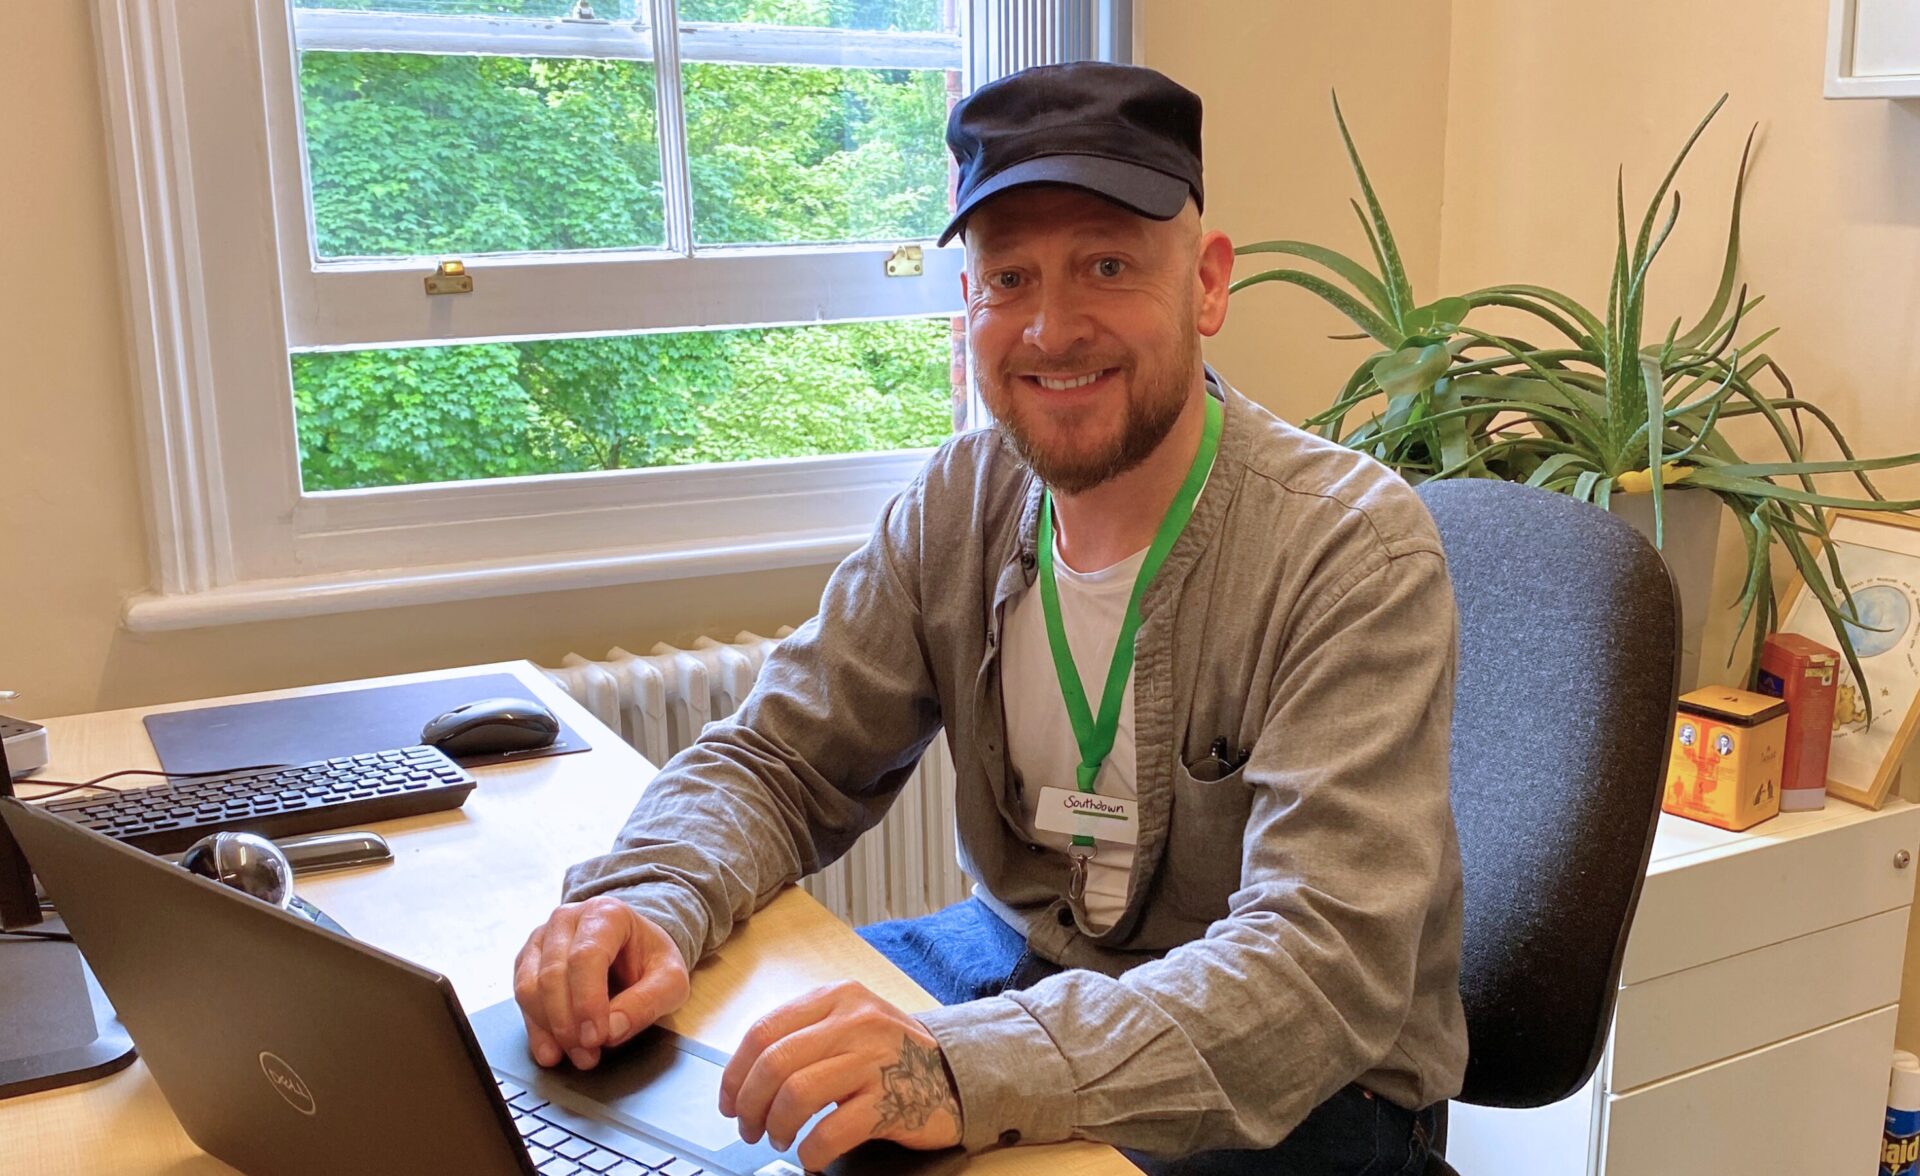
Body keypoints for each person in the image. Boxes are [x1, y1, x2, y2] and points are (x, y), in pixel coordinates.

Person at [513, 62, 1467, 1176]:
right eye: (1009, 276)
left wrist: (964, 1067)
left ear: (1207, 286)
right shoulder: (959, 502)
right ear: (968, 304)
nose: (1052, 329)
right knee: (718, 1089)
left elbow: (1317, 973)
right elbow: (779, 760)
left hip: (1308, 1084)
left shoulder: (1350, 547)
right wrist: (651, 897)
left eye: (1107, 265)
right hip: (1020, 965)